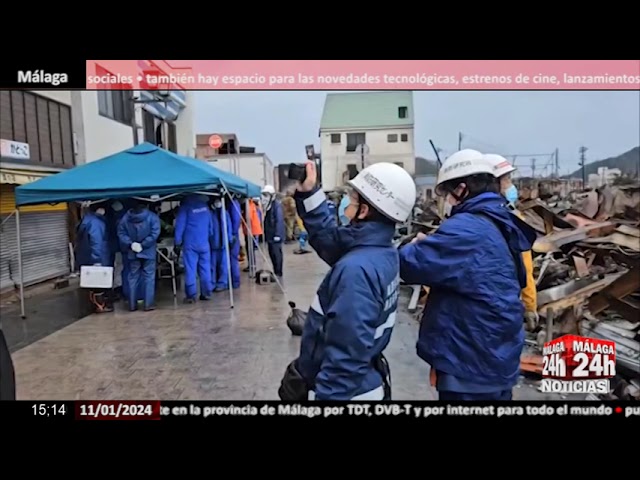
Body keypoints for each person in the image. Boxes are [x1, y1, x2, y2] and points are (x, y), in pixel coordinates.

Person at [398, 149, 537, 401]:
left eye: (448, 193)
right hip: (497, 353)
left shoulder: (466, 229)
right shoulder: (500, 219)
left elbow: (409, 265)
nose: (448, 200)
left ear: (461, 189)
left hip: (470, 359)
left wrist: (414, 246)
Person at [280, 161, 416, 401]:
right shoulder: (380, 250)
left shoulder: (356, 271)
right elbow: (330, 241)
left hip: (348, 393)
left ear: (364, 211)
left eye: (352, 201)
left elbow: (346, 357)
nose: (346, 207)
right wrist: (310, 193)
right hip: (364, 379)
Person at [484, 153, 538, 330]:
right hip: (502, 308)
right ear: (493, 184)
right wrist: (530, 306)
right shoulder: (511, 223)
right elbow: (525, 269)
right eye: (506, 179)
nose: (510, 185)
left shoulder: (464, 220)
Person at [117, 202, 161, 312]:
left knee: (133, 277)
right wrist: (144, 244)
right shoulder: (152, 217)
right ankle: (148, 304)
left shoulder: (125, 218)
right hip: (148, 252)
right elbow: (155, 233)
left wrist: (131, 244)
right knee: (149, 277)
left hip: (132, 252)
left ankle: (132, 305)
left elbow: (121, 233)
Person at [174, 194, 214, 303]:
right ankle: (206, 293)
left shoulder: (185, 208)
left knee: (190, 270)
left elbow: (180, 226)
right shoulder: (205, 207)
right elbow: (211, 227)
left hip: (190, 245)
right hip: (204, 243)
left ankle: (191, 296)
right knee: (205, 269)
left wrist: (177, 242)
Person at [75, 204, 113, 313]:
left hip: (87, 257)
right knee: (99, 284)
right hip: (97, 257)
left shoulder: (86, 220)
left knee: (92, 284)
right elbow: (97, 242)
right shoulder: (97, 223)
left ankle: (94, 305)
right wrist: (97, 260)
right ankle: (100, 305)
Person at [261, 185, 285, 279]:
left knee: (276, 254)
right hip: (270, 235)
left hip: (275, 235)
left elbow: (279, 220)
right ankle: (276, 271)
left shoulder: (276, 206)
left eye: (266, 195)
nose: (264, 197)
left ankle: (278, 272)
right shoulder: (269, 206)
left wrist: (278, 234)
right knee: (272, 253)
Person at [210, 198, 233, 291]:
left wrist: (230, 239)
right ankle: (212, 283)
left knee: (223, 265)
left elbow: (229, 227)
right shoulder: (211, 213)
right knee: (212, 266)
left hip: (223, 244)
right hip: (213, 244)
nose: (217, 203)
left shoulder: (225, 213)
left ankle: (222, 283)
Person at [242, 197, 263, 273]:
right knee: (251, 248)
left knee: (250, 249)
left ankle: (252, 265)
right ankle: (252, 264)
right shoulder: (252, 204)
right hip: (253, 229)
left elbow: (249, 217)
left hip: (250, 230)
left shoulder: (249, 205)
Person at [228, 195, 242, 289]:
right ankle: (235, 282)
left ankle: (235, 282)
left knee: (233, 259)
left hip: (232, 235)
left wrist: (232, 234)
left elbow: (236, 220)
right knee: (233, 259)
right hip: (233, 234)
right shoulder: (235, 203)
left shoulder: (232, 204)